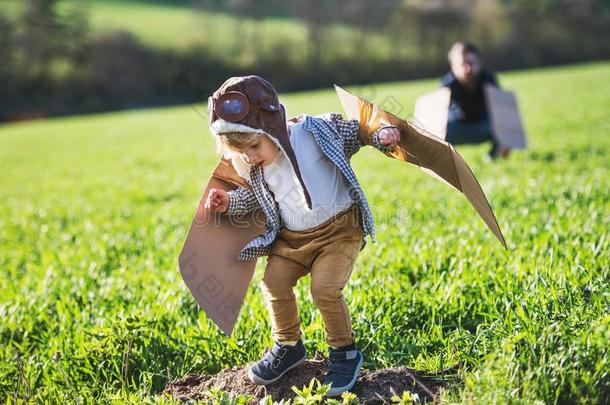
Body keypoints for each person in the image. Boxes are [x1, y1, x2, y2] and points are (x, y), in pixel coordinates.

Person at [203, 75, 401, 396]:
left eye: (254, 146)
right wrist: (228, 203)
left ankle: (344, 353)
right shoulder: (255, 166)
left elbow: (359, 131)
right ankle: (289, 346)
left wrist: (381, 134)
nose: (250, 157)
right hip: (291, 240)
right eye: (242, 153)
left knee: (324, 289)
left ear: (272, 126)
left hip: (339, 232)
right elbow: (256, 199)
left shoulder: (315, 133)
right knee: (274, 283)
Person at [442, 42, 510, 159]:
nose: (468, 69)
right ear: (453, 66)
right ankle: (449, 163)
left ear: (479, 63)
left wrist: (508, 138)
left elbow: (503, 112)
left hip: (484, 126)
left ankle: (493, 157)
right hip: (456, 128)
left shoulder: (489, 80)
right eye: (463, 64)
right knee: (439, 131)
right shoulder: (447, 84)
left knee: (504, 125)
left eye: (471, 63)